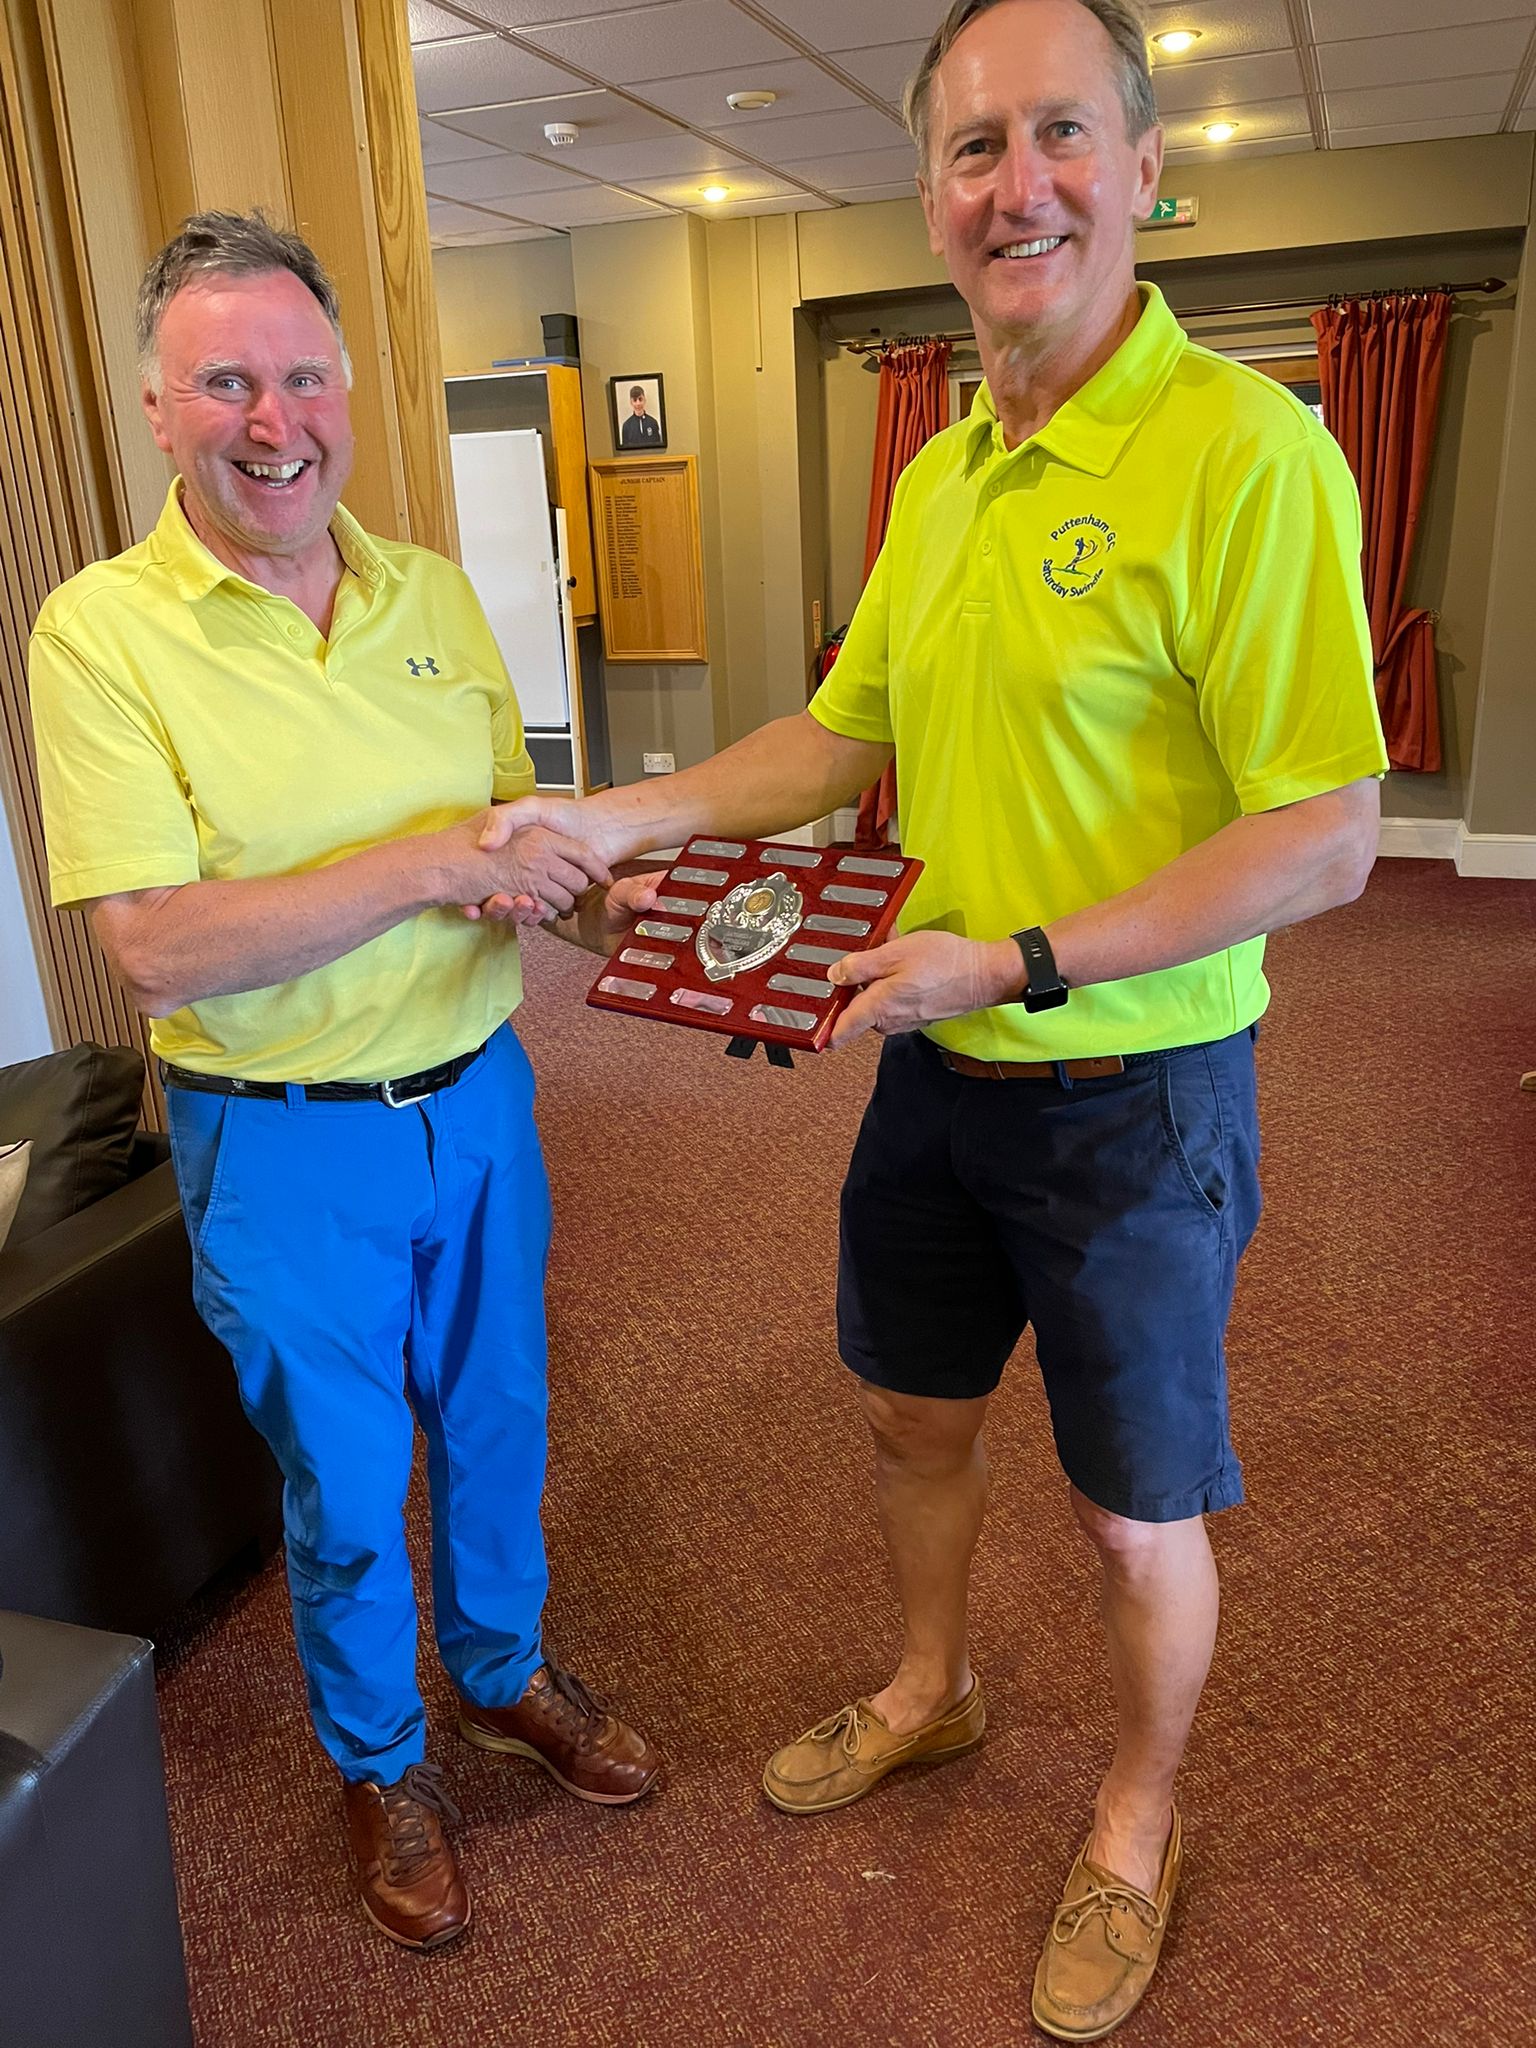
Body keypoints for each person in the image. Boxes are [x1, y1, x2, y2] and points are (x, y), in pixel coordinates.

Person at [482, 0, 1388, 2035]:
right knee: (909, 1409)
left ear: (1146, 168)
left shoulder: (1247, 456)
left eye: (1060, 132)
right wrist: (612, 808)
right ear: (930, 198)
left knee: (1133, 1504)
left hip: (1132, 1085)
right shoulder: (949, 474)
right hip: (934, 1061)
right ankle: (932, 1686)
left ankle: (1138, 1815)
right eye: (973, 149)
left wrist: (1026, 957)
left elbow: (1327, 832)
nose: (1017, 182)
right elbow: (835, 735)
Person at [27, 211, 665, 1956]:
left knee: (499, 1419)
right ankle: (384, 1762)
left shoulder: (436, 593)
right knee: (342, 1469)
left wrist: (605, 897)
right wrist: (430, 859)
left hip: (482, 1098)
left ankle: (505, 1672)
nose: (273, 417)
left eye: (302, 374)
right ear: (158, 409)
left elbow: (523, 842)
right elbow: (154, 949)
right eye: (225, 380)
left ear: (347, 391)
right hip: (283, 1138)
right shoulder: (97, 639)